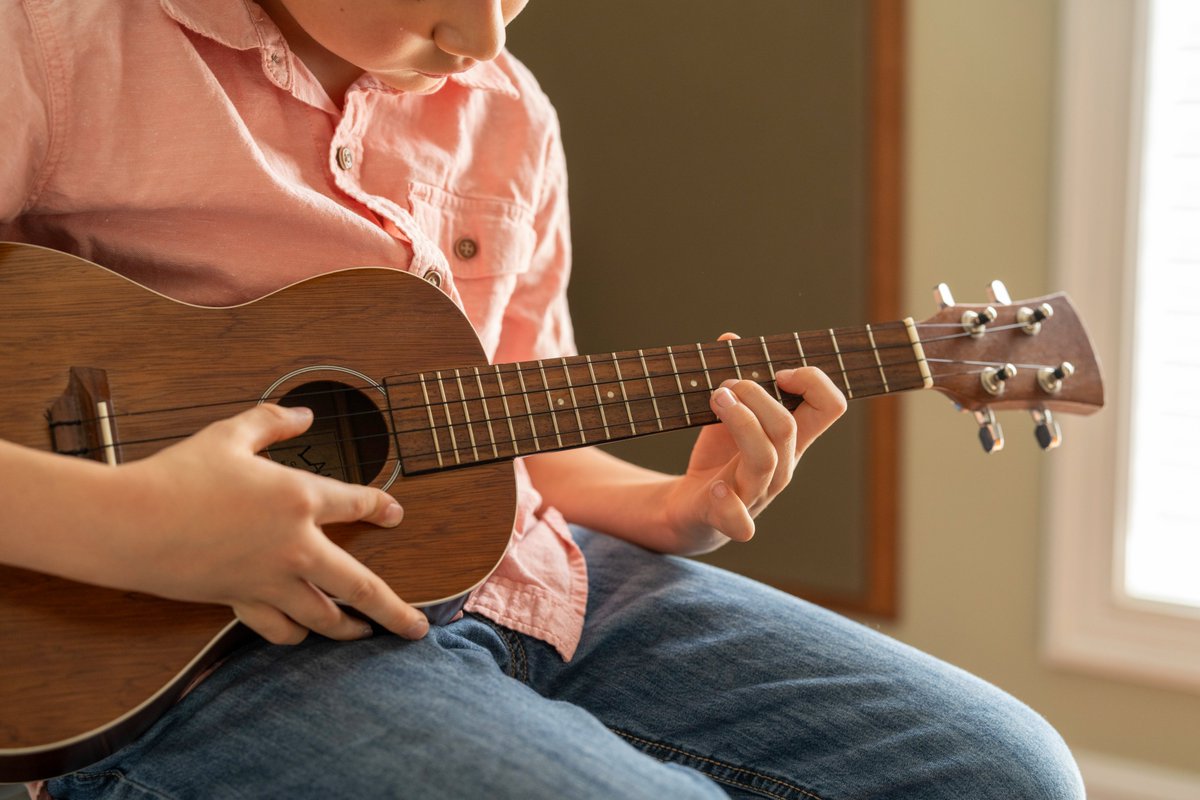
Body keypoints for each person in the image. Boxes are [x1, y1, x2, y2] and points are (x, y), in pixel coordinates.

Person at [0, 1, 1085, 798]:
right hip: (206, 649)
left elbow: (504, 419)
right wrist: (143, 530)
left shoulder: (506, 112)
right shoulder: (58, 43)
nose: (486, 36)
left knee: (1003, 767)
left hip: (532, 575)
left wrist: (674, 507)